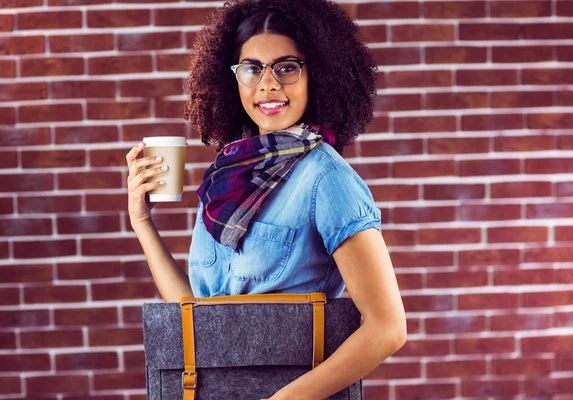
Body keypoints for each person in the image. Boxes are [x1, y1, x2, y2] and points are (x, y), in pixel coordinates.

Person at [126, 0, 406, 398]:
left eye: (287, 67)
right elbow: (202, 319)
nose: (268, 84)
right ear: (233, 78)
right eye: (252, 68)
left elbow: (387, 328)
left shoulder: (327, 180)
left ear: (319, 75)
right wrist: (142, 224)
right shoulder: (228, 179)